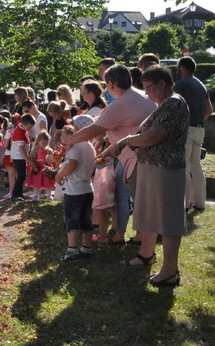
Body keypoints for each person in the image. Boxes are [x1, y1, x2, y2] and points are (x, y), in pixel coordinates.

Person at [101, 66, 189, 286]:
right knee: (156, 217)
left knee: (169, 222)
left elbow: (154, 136)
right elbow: (146, 134)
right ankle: (152, 258)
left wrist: (125, 141)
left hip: (166, 171)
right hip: (155, 170)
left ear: (161, 84)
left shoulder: (173, 103)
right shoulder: (164, 104)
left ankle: (170, 271)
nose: (147, 93)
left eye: (149, 88)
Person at [65, 64, 157, 246]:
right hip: (149, 156)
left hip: (137, 159)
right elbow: (122, 135)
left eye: (106, 85)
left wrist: (70, 141)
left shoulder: (121, 104)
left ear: (112, 84)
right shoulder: (142, 96)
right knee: (143, 201)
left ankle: (145, 248)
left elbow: (94, 130)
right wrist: (105, 153)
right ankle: (141, 238)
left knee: (142, 203)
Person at [174, 56, 212, 213]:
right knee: (196, 166)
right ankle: (200, 202)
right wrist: (198, 121)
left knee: (184, 165)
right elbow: (209, 110)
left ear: (182, 68)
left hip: (186, 129)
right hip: (199, 128)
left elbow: (173, 106)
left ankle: (184, 204)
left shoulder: (181, 84)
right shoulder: (200, 84)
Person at [53, 124, 96, 262]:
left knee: (72, 220)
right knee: (86, 220)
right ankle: (86, 248)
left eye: (63, 134)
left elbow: (72, 164)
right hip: (87, 188)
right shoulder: (89, 146)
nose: (62, 138)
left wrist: (59, 176)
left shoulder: (75, 146)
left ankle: (72, 251)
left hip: (74, 190)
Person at [10, 113, 36, 201]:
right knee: (21, 175)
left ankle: (19, 193)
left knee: (22, 175)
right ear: (23, 124)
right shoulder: (19, 133)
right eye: (28, 127)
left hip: (20, 156)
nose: (29, 129)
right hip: (19, 157)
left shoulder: (22, 130)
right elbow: (22, 150)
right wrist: (29, 160)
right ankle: (15, 194)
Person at [25, 130, 53, 200]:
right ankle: (36, 194)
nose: (45, 145)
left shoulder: (49, 150)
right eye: (43, 143)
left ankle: (49, 195)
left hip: (46, 168)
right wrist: (34, 167)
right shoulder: (35, 150)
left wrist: (48, 160)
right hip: (38, 168)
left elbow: (52, 159)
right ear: (38, 141)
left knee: (48, 181)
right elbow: (31, 160)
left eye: (46, 143)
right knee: (36, 182)